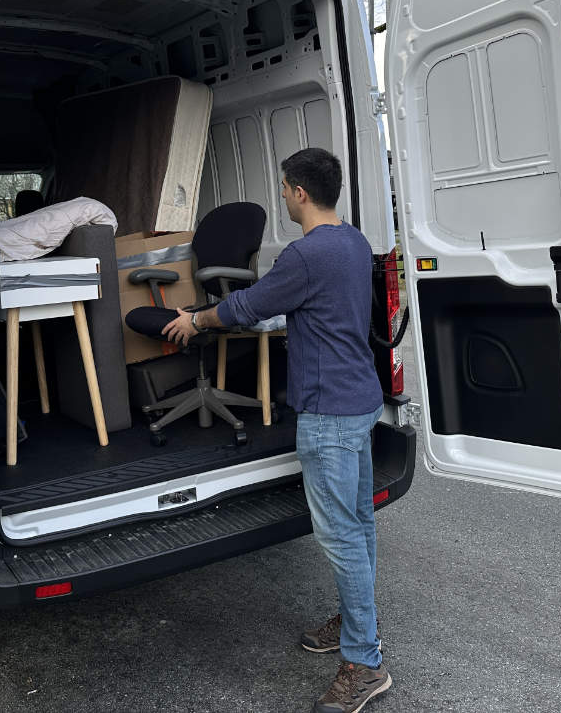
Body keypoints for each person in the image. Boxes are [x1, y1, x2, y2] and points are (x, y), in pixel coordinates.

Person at [162, 147, 390, 713]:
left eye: (285, 189)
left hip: (330, 413)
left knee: (339, 534)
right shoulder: (355, 241)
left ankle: (365, 662)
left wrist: (196, 318)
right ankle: (356, 621)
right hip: (361, 400)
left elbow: (246, 307)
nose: (284, 197)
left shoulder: (305, 255)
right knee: (358, 524)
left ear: (300, 193)